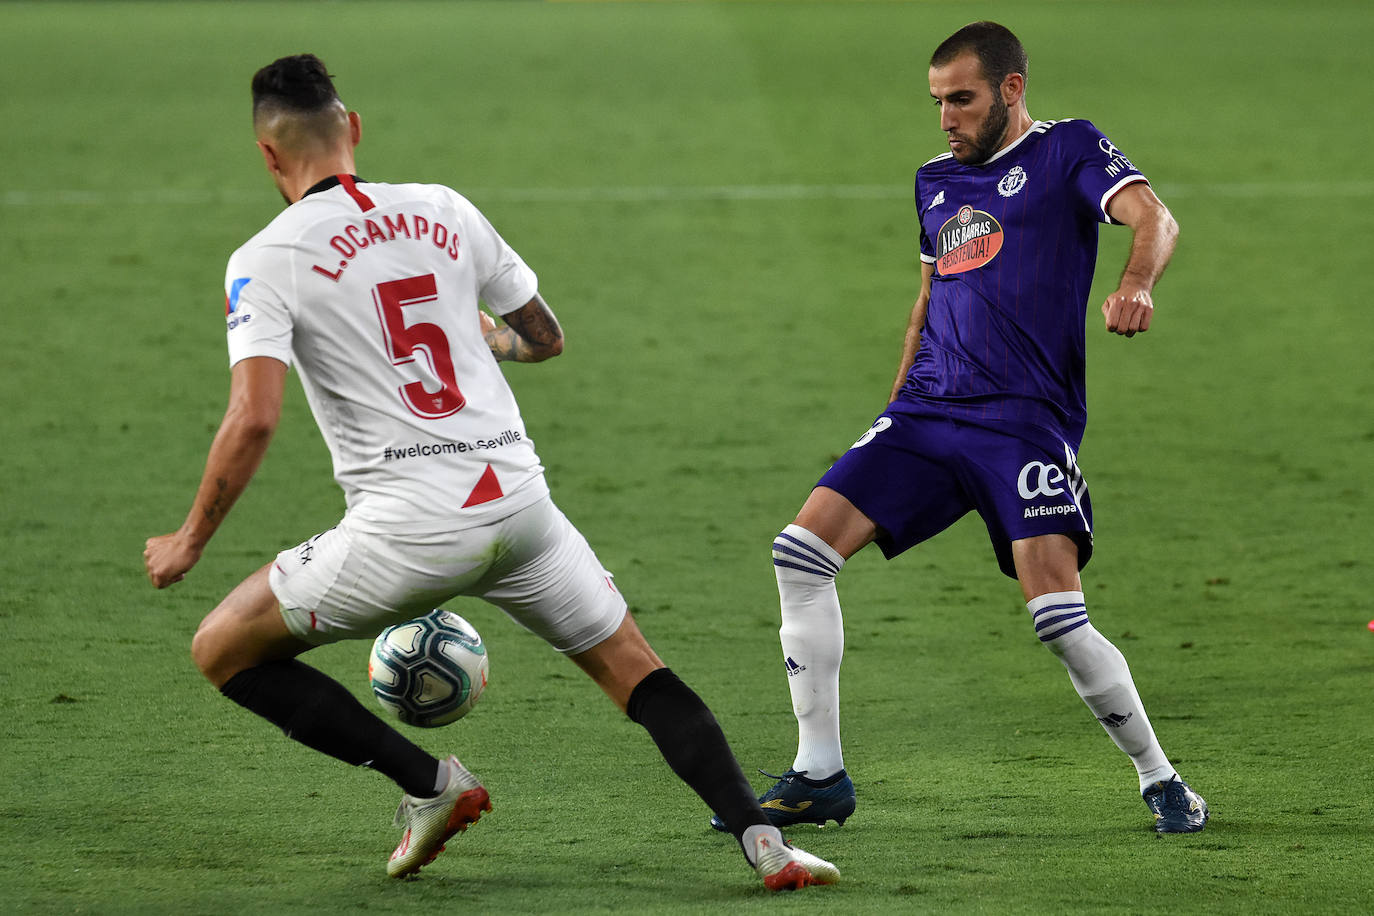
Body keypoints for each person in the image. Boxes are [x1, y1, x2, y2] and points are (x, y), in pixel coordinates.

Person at [143, 53, 839, 890]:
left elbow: (253, 416)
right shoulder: (444, 209)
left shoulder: (267, 254)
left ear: (267, 154)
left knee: (223, 648)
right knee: (635, 667)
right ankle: (767, 844)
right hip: (520, 507)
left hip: (405, 531)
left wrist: (189, 538)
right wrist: (487, 339)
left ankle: (430, 784)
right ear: (353, 130)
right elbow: (544, 337)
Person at [713, 21, 1207, 836]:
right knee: (800, 553)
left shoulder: (1067, 150)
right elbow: (928, 301)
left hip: (1023, 424)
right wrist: (893, 406)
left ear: (1011, 90)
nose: (945, 117)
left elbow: (1156, 218)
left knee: (1057, 620)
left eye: (963, 99)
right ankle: (820, 772)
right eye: (937, 100)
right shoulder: (934, 183)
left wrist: (1137, 284)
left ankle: (1161, 780)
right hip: (927, 413)